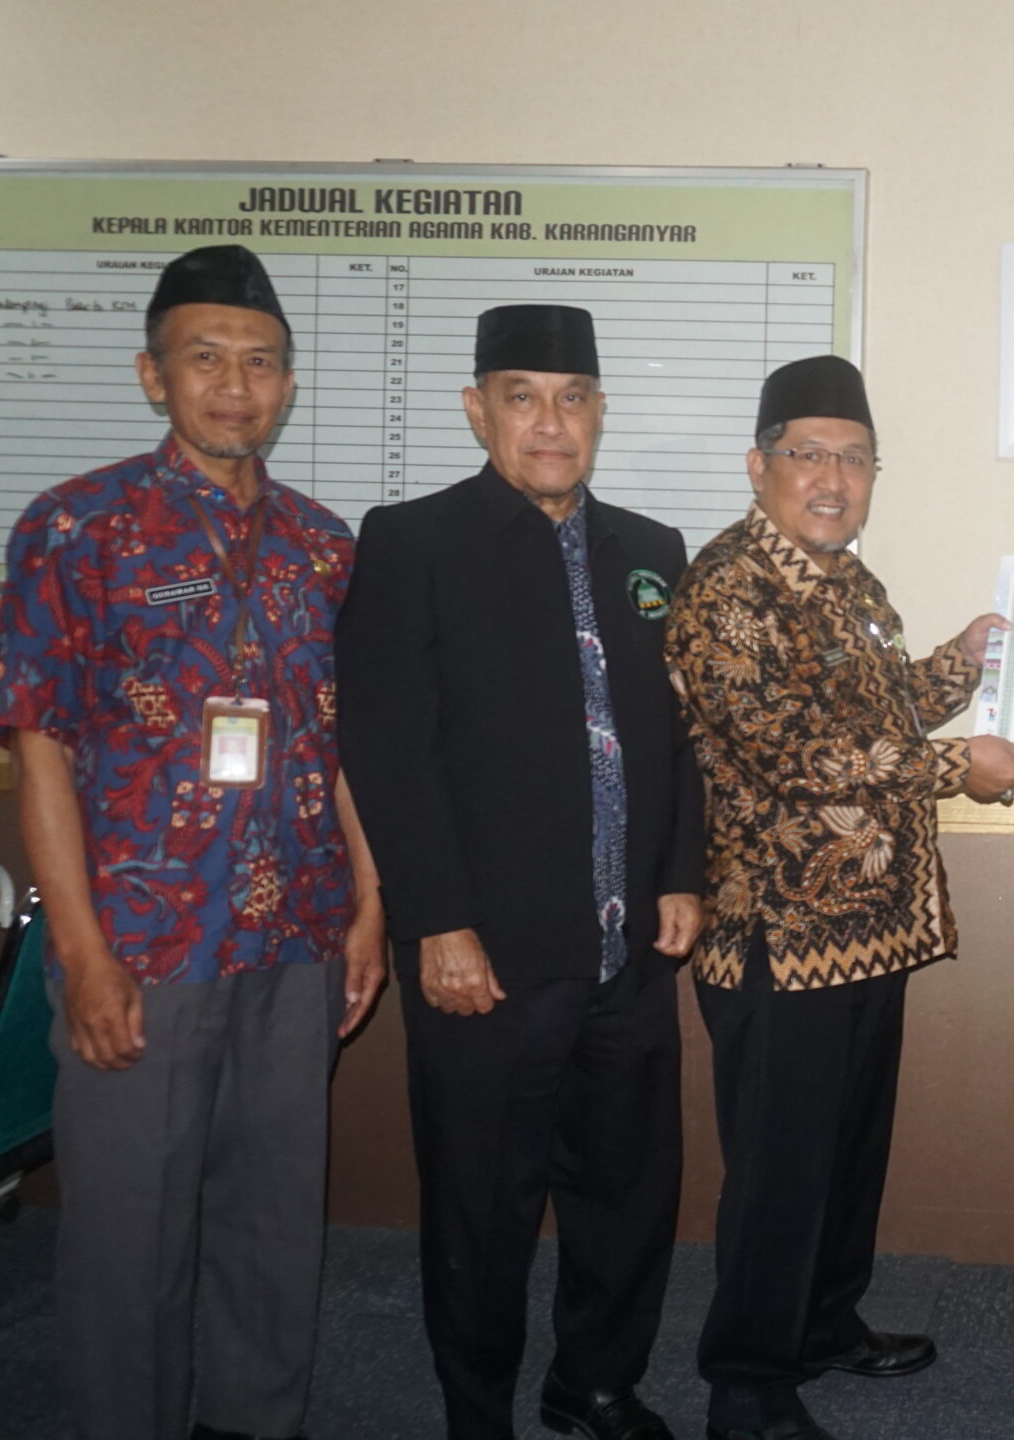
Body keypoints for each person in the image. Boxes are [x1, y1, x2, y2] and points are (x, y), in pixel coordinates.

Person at [0, 244, 382, 1440]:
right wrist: (82, 953)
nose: (235, 385)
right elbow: (38, 746)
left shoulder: (323, 546)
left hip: (297, 932)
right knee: (129, 1233)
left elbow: (344, 743)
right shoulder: (75, 528)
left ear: (288, 383)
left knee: (272, 1221)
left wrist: (370, 904)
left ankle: (255, 1422)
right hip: (146, 943)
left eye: (260, 362)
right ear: (154, 375)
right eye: (207, 358)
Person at [335, 305, 703, 1440]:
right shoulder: (412, 542)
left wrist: (680, 873)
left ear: (600, 412)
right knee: (481, 1206)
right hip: (486, 955)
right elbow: (388, 746)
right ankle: (476, 1411)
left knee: (629, 1192)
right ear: (477, 409)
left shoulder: (652, 550)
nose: (551, 422)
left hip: (626, 950)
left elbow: (677, 732)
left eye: (572, 398)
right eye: (523, 397)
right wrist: (435, 920)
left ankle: (594, 1382)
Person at [666, 355, 1014, 1440]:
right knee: (780, 1173)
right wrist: (956, 765)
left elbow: (879, 714)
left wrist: (960, 663)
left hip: (870, 932)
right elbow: (788, 752)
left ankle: (823, 1325)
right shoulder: (729, 588)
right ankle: (747, 1386)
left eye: (855, 459)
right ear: (760, 466)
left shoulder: (853, 586)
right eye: (809, 455)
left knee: (844, 1158)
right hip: (779, 938)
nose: (832, 479)